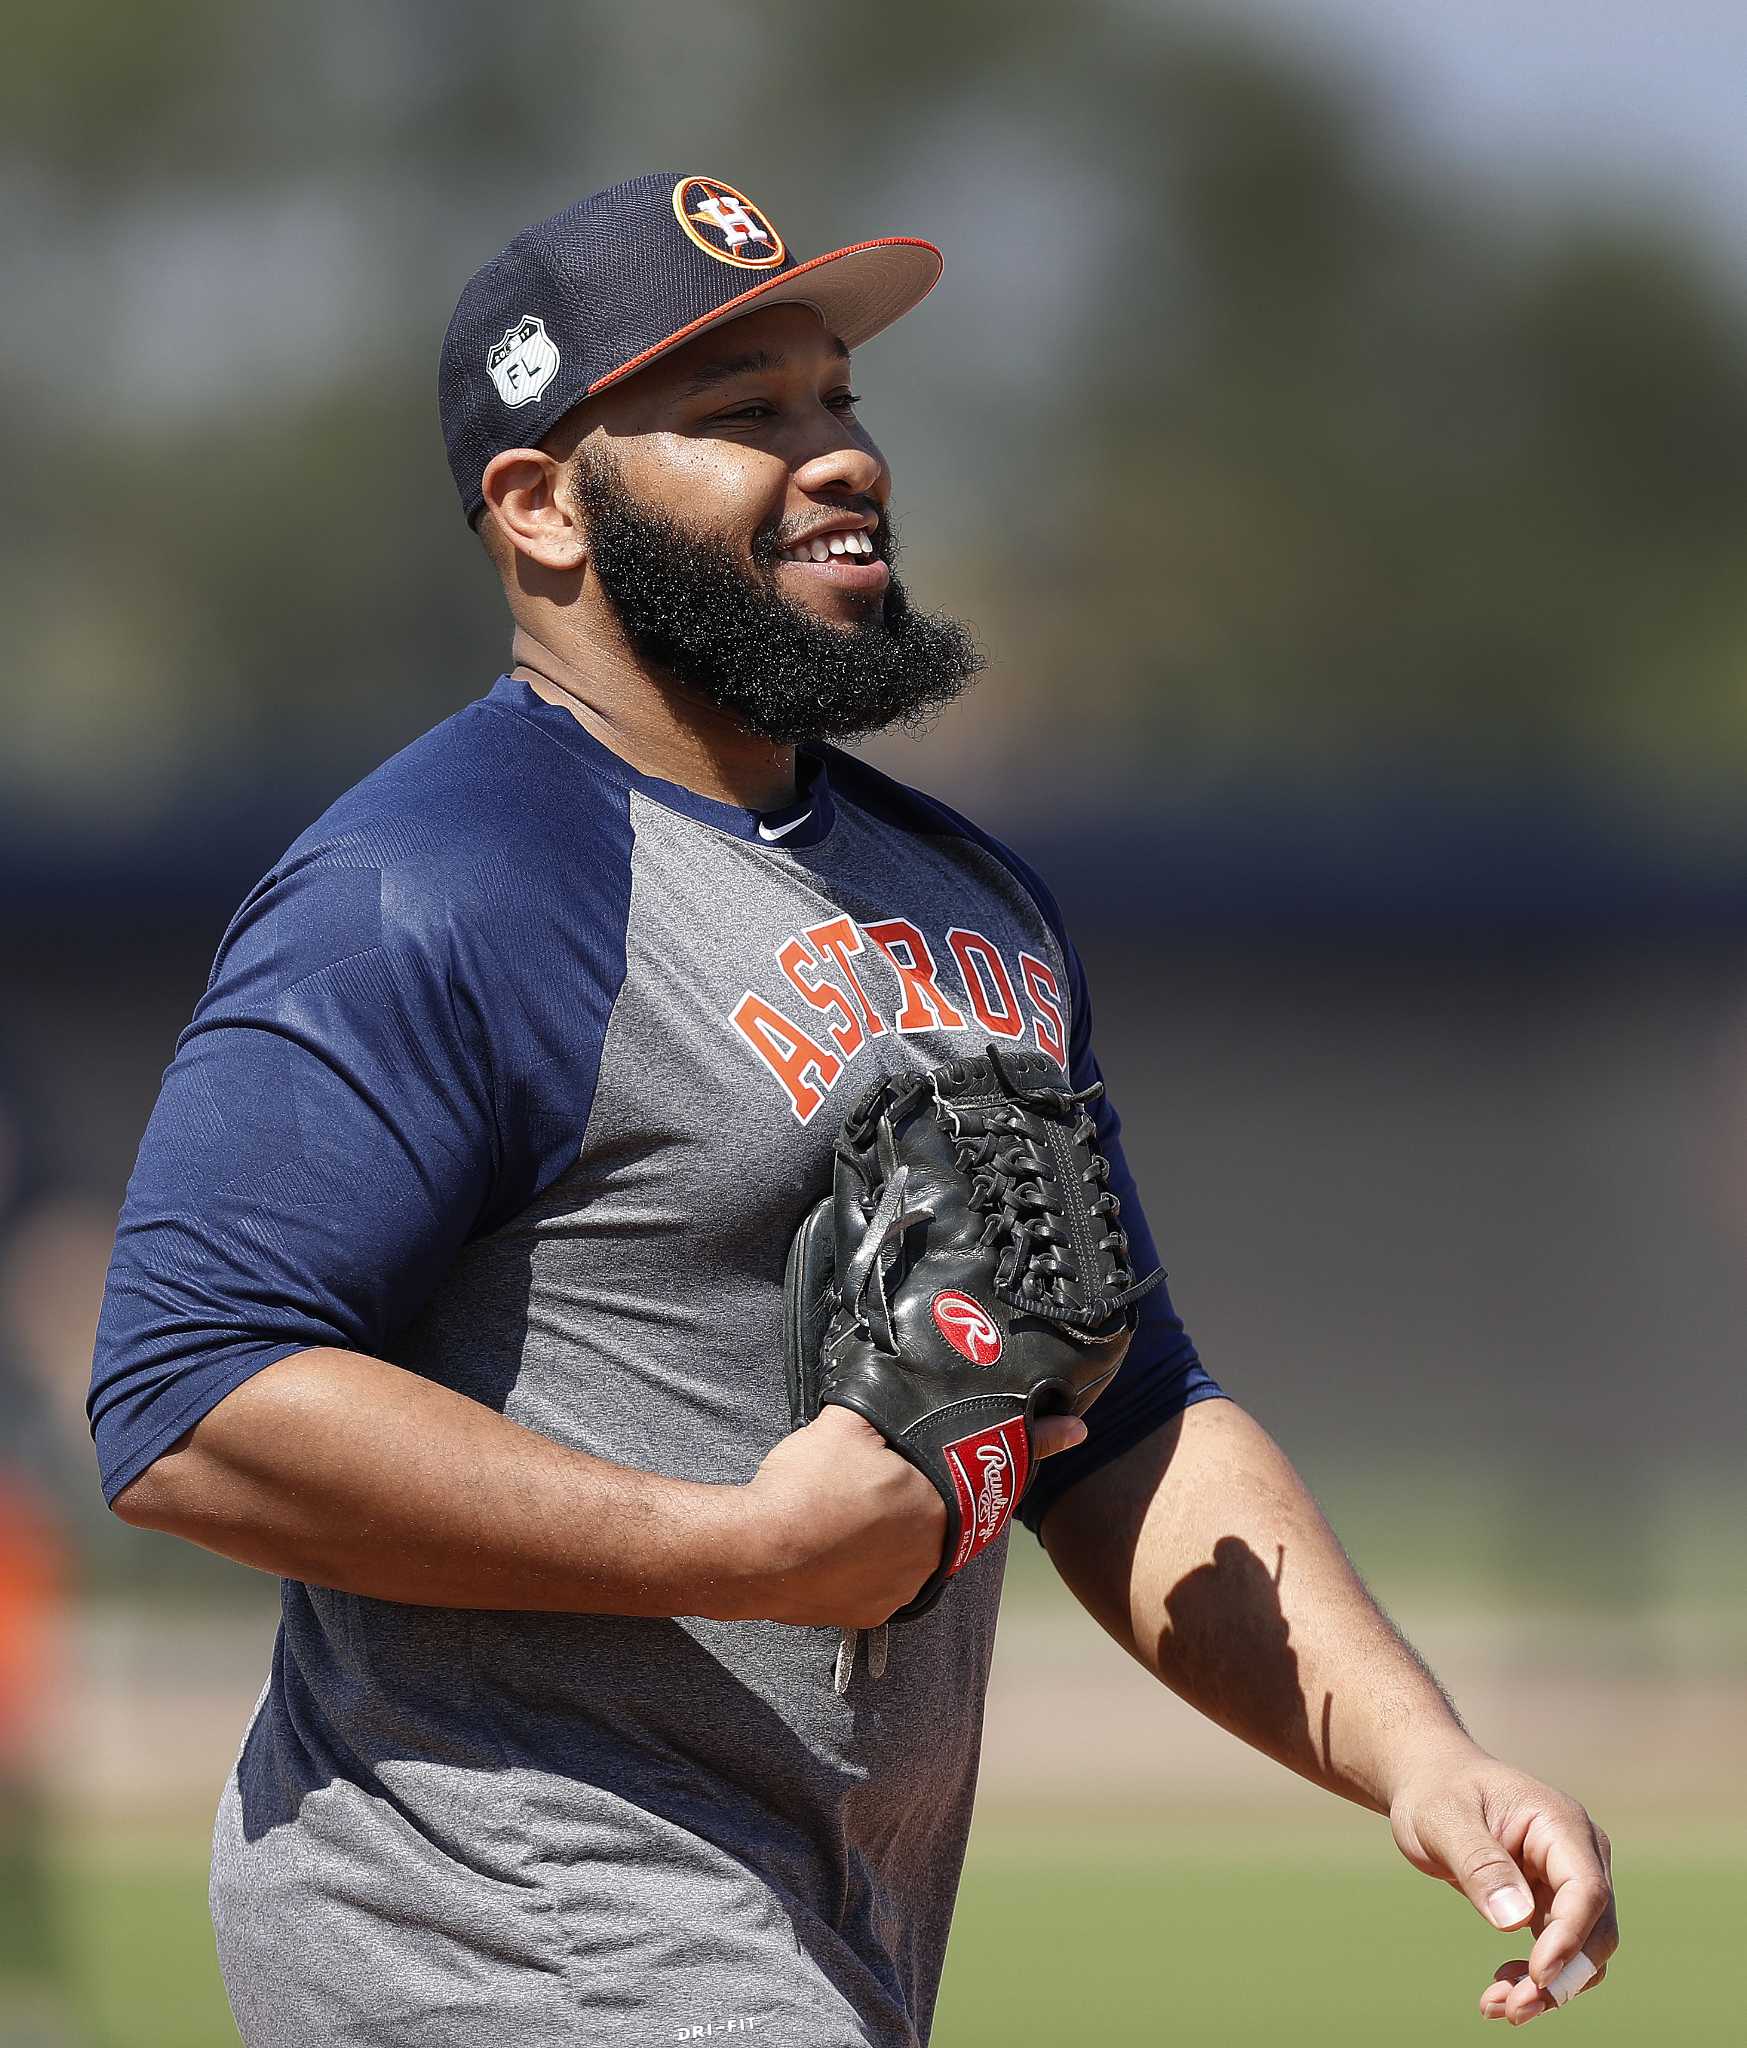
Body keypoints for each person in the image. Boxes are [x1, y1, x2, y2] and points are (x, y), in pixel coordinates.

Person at [89, 172, 1616, 2046]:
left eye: (840, 400)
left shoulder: (968, 904)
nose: (838, 460)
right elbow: (186, 1396)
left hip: (811, 1947)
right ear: (541, 507)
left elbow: (1120, 1423)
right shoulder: (441, 883)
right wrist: (725, 1548)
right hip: (509, 1937)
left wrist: (1417, 1757)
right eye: (745, 416)